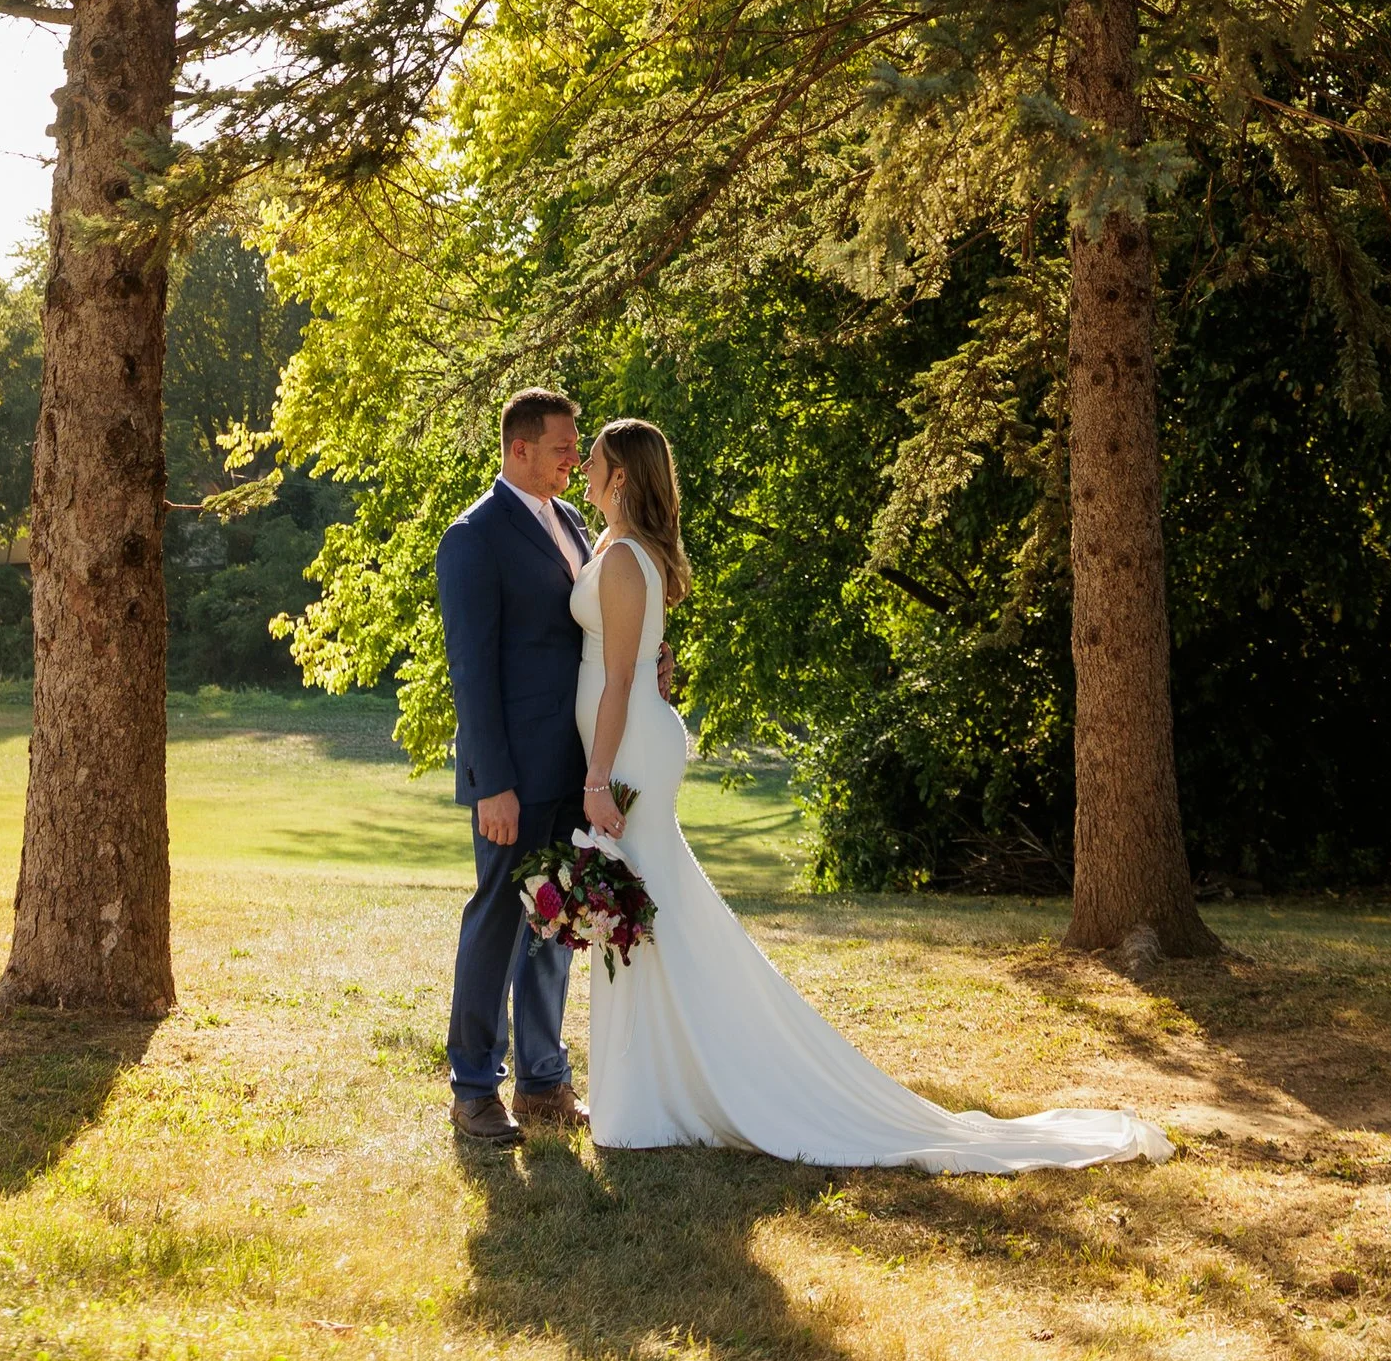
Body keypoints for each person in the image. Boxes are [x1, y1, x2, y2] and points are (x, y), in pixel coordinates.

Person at [572, 416, 1169, 1169]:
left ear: (620, 474)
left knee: (642, 910)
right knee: (647, 912)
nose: (583, 467)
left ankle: (670, 1093)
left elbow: (621, 676)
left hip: (626, 754)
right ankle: (648, 1090)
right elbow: (637, 653)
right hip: (626, 740)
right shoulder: (612, 547)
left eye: (592, 458)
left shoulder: (625, 557)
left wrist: (597, 779)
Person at [436, 387, 597, 1146]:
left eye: (577, 446)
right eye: (563, 446)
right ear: (519, 449)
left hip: (573, 767)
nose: (576, 457)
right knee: (499, 920)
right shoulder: (475, 536)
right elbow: (471, 669)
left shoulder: (572, 522)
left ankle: (542, 1079)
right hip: (512, 776)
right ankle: (474, 1087)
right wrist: (490, 781)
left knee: (555, 922)